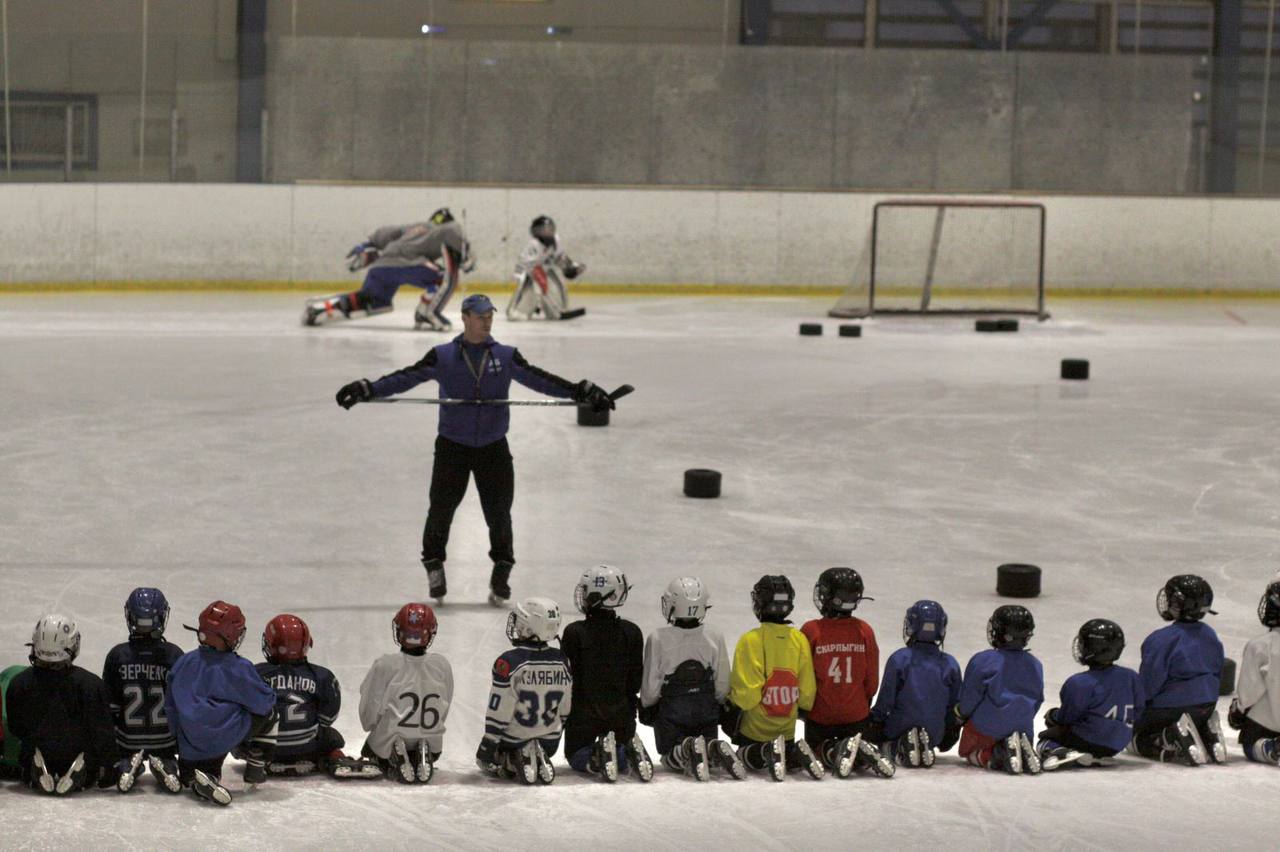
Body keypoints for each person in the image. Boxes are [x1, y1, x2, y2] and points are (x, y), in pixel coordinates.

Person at [335, 293, 620, 605]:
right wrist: (369, 388)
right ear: (465, 317)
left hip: (493, 447)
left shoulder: (506, 355)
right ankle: (434, 565)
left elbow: (540, 380)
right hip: (452, 448)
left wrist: (580, 391)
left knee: (499, 514)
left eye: (490, 315)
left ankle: (502, 569)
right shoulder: (443, 356)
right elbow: (405, 378)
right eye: (481, 315)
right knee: (440, 510)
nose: (487, 320)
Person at [165, 600, 279, 805]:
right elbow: (264, 703)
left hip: (189, 742)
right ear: (229, 635)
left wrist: (178, 739)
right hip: (221, 738)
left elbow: (170, 707)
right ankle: (255, 767)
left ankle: (192, 777)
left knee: (194, 773)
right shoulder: (238, 667)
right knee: (271, 713)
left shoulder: (184, 662)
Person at [639, 576, 744, 781]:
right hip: (706, 712)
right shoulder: (715, 636)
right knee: (707, 752)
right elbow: (722, 685)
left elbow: (650, 690)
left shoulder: (658, 638)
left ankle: (686, 748)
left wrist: (647, 708)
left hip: (672, 715)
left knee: (668, 756)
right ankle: (712, 747)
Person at [303, 207, 473, 330]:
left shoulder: (414, 227)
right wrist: (467, 257)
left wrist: (367, 245)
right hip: (409, 262)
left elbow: (386, 233)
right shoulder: (446, 228)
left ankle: (319, 309)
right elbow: (454, 233)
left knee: (372, 300)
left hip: (381, 266)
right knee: (441, 278)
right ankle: (427, 313)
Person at [5, 614, 118, 795]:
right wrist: (110, 768)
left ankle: (36, 765)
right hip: (77, 748)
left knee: (31, 745)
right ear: (73, 644)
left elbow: (16, 728)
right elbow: (103, 733)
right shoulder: (91, 685)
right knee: (88, 747)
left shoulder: (19, 683)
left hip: (38, 746)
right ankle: (81, 767)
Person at [800, 568, 893, 778]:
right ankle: (859, 754)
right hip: (856, 717)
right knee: (855, 741)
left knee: (817, 752)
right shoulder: (864, 630)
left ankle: (832, 752)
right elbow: (871, 684)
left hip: (821, 717)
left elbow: (803, 678)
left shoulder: (811, 630)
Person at [254, 614, 372, 778]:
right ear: (307, 644)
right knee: (331, 736)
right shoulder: (323, 676)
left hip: (267, 747)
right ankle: (336, 758)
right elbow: (327, 718)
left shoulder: (254, 673)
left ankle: (255, 761)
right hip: (307, 748)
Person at [727, 575, 821, 780]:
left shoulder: (750, 640)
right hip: (786, 732)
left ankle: (765, 752)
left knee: (741, 756)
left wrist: (728, 703)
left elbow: (746, 697)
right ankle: (793, 753)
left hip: (754, 733)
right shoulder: (799, 639)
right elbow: (807, 694)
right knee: (785, 750)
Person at [562, 566, 650, 782]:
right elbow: (635, 683)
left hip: (584, 716)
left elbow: (566, 681)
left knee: (575, 755)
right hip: (622, 717)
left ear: (596, 596)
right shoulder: (632, 632)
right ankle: (624, 751)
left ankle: (596, 754)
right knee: (620, 742)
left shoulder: (575, 633)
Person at [1131, 574, 1226, 765]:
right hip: (1206, 706)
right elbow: (1218, 672)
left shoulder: (1160, 639)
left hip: (1169, 710)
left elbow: (1149, 686)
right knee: (1194, 716)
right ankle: (1206, 733)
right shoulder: (1210, 634)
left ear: (1177, 605)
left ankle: (1169, 736)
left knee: (1133, 738)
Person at [476, 597, 572, 784]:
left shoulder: (510, 662)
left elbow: (501, 708)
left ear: (529, 628)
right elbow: (565, 707)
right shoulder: (562, 660)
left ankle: (511, 761)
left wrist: (489, 741)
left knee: (485, 761)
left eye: (520, 621)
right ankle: (537, 750)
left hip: (515, 737)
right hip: (551, 739)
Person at [358, 602, 454, 784]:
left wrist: (371, 725)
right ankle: (423, 746)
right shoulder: (441, 665)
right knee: (427, 736)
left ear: (400, 632)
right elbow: (446, 702)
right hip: (433, 739)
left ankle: (395, 751)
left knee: (369, 751)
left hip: (388, 737)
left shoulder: (385, 664)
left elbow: (370, 708)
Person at [102, 587, 184, 793]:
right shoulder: (174, 655)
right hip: (165, 739)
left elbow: (110, 708)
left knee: (120, 735)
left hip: (127, 740)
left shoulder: (117, 655)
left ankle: (128, 763)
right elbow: (183, 706)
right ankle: (166, 763)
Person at [1037, 619, 1144, 770]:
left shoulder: (1079, 683)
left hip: (1087, 739)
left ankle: (1056, 751)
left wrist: (1053, 716)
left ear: (1090, 648)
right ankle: (1095, 757)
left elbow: (1068, 718)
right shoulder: (1132, 677)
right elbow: (1139, 710)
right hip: (1116, 745)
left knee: (1045, 736)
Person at [868, 599, 962, 768]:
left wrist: (874, 720)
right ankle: (926, 744)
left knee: (878, 735)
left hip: (899, 726)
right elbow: (954, 705)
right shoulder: (950, 663)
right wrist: (949, 730)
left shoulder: (900, 659)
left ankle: (897, 746)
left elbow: (885, 701)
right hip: (935, 732)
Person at [955, 605, 1044, 775]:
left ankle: (994, 754)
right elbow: (1038, 701)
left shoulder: (983, 660)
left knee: (967, 752)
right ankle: (1019, 747)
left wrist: (959, 715)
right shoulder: (1035, 664)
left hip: (987, 729)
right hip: (1023, 726)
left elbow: (969, 700)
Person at [1230, 580, 1280, 764]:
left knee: (1250, 744)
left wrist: (1237, 712)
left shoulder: (1260, 646)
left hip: (1266, 726)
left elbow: (1249, 693)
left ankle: (1270, 748)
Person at [507, 215, 586, 321]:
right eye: (543, 230)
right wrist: (537, 278)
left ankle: (560, 309)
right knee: (535, 291)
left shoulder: (556, 241)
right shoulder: (534, 245)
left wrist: (572, 268)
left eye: (550, 228)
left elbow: (561, 259)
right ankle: (515, 310)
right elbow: (526, 264)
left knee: (560, 285)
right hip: (530, 271)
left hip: (546, 269)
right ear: (536, 232)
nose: (548, 232)